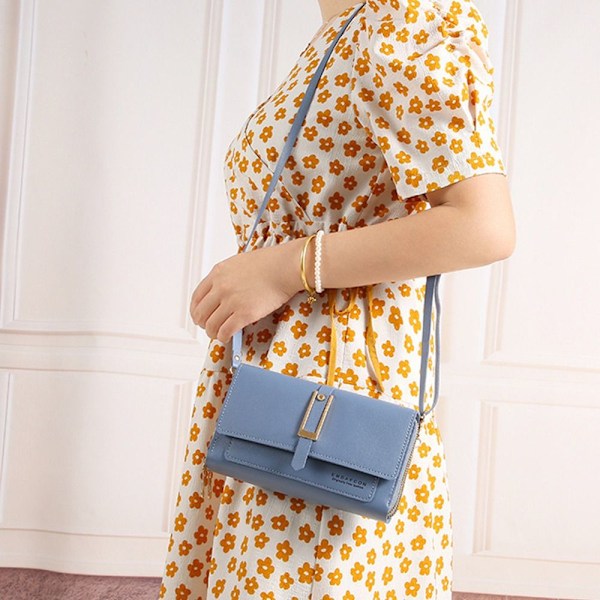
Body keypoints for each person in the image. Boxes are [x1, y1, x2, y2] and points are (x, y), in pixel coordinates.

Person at [158, 0, 515, 597]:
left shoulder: (406, 22)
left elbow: (483, 226)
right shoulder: (339, 28)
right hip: (274, 376)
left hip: (330, 392)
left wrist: (284, 267)